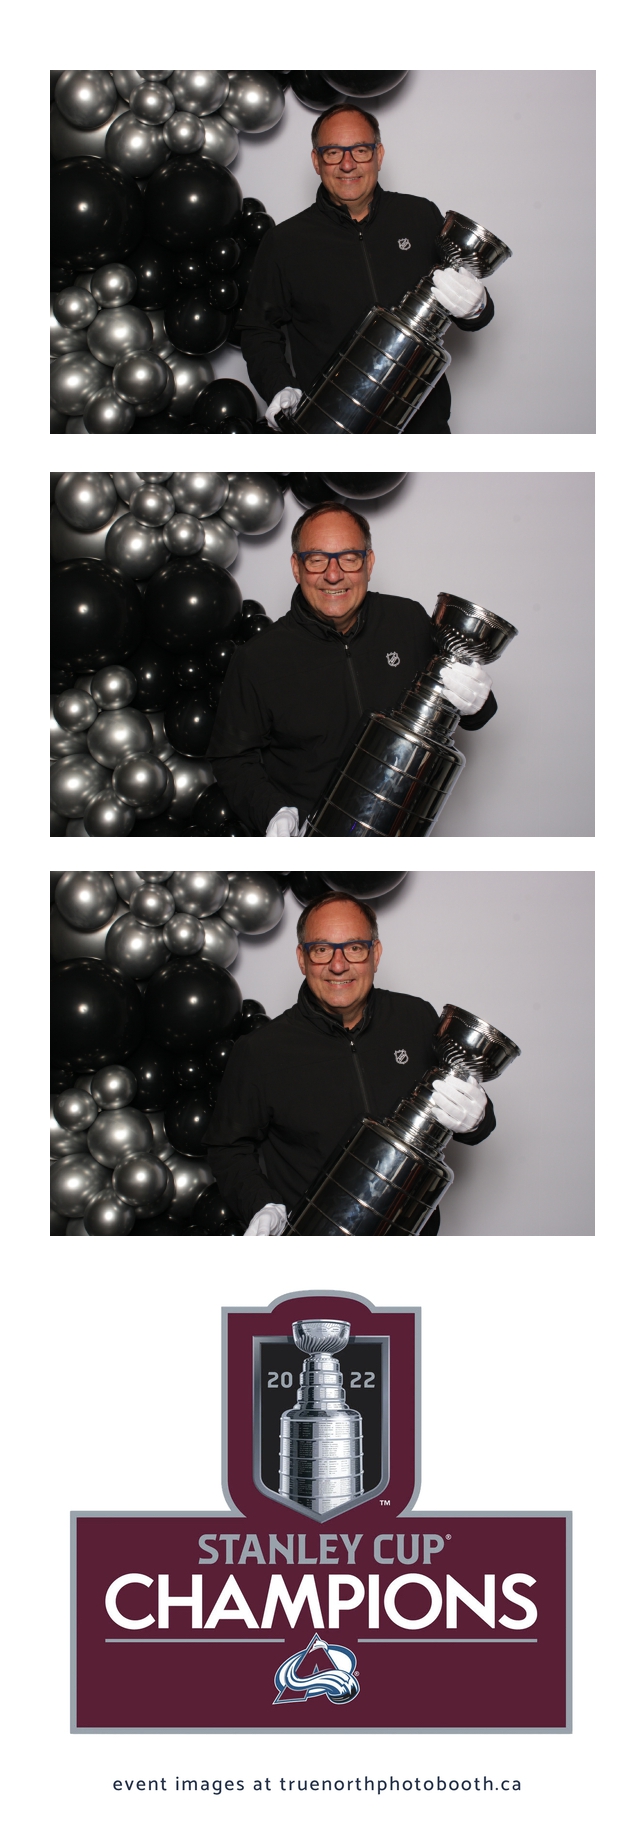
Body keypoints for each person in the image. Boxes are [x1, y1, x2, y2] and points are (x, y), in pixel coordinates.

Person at [207, 892, 496, 1237]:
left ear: (376, 954)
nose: (338, 965)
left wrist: (478, 1119)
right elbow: (227, 1148)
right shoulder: (260, 1050)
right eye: (321, 949)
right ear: (302, 959)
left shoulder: (415, 1017)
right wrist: (261, 1203)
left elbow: (469, 1114)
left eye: (355, 948)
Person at [207, 502, 497, 836]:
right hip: (313, 840)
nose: (333, 575)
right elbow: (231, 758)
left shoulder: (407, 619)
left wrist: (478, 702)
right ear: (297, 567)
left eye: (349, 558)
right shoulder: (258, 658)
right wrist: (272, 811)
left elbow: (472, 710)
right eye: (317, 559)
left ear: (368, 563)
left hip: (402, 833)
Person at [240, 101, 495, 434]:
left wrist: (478, 307)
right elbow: (258, 330)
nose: (348, 164)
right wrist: (279, 385)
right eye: (333, 152)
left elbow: (470, 310)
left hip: (424, 427)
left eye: (360, 150)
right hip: (335, 431)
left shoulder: (419, 215)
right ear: (316, 161)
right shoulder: (284, 241)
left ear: (379, 154)